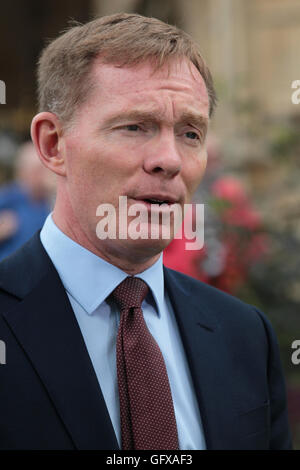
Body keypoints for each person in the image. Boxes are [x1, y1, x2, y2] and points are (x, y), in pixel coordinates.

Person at [0, 13, 292, 450]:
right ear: (53, 145)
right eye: (135, 126)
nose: (169, 159)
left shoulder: (245, 335)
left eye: (190, 133)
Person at [0, 141, 53, 260]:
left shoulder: (50, 202)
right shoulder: (8, 198)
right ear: (23, 171)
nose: (46, 174)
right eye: (39, 170)